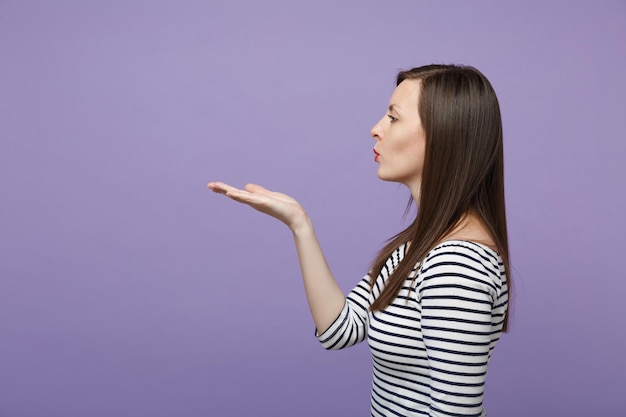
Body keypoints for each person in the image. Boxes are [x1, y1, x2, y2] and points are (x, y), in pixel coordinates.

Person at [207, 64, 510, 417]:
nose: (375, 129)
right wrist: (299, 224)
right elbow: (340, 329)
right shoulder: (419, 245)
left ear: (443, 135)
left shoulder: (457, 265)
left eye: (393, 118)